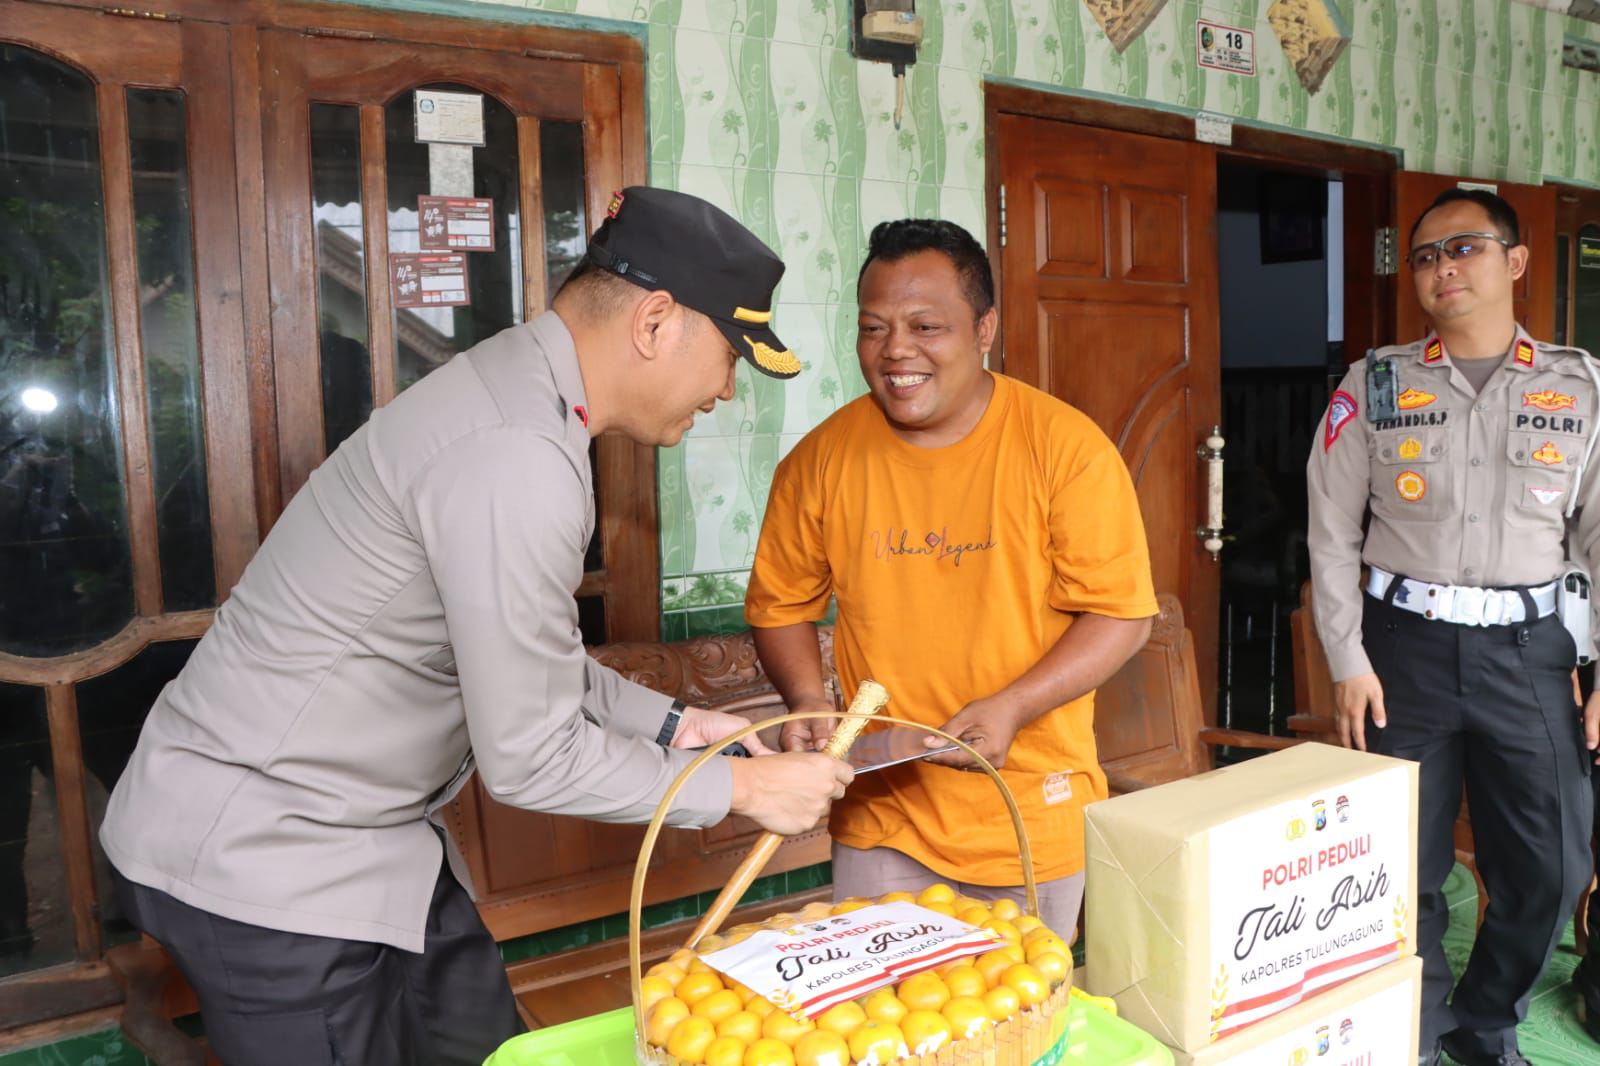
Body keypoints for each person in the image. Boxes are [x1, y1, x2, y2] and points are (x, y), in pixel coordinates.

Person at [99, 186, 854, 1066]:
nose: (726, 391)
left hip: (373, 841)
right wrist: (747, 793)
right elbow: (531, 756)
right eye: (730, 358)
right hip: (268, 856)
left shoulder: (516, 392)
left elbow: (522, 651)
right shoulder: (517, 454)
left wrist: (680, 724)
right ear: (655, 323)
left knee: (485, 1047)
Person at [744, 218, 1157, 935]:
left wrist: (1013, 706)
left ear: (985, 327)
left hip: (1030, 810)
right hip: (884, 817)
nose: (896, 350)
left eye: (926, 325)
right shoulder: (821, 461)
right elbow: (780, 604)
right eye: (873, 329)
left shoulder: (1065, 450)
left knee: (1016, 1034)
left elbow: (1123, 615)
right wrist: (809, 700)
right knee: (881, 1030)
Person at [1307, 188, 1600, 1066]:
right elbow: (1329, 531)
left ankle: (1484, 1013)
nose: (1441, 270)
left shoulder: (1580, 386)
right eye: (1426, 256)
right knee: (1403, 862)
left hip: (1532, 654)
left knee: (1554, 866)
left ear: (1514, 262)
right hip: (1403, 654)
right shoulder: (1376, 382)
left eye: (1463, 249)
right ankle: (1426, 1030)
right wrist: (1346, 657)